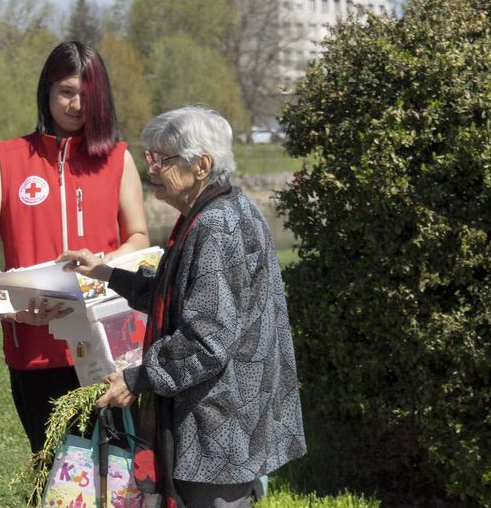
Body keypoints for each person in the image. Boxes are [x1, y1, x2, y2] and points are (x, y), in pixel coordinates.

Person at [60, 106, 307, 508]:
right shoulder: (222, 208)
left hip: (220, 425)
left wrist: (138, 378)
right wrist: (105, 272)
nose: (152, 168)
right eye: (150, 156)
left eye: (163, 158)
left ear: (201, 166)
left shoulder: (216, 225)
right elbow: (177, 294)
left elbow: (206, 340)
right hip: (228, 419)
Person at [0, 41, 149, 454]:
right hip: (33, 343)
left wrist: (103, 265)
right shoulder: (9, 158)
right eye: (66, 92)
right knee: (51, 467)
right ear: (47, 91)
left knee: (116, 468)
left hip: (107, 346)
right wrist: (6, 303)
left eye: (87, 94)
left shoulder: (118, 159)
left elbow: (138, 237)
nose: (76, 104)